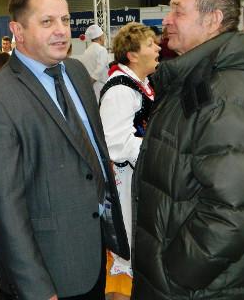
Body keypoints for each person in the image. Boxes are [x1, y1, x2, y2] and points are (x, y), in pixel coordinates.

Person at [0, 0, 129, 300]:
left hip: (92, 255)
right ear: (18, 30)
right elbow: (3, 206)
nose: (61, 30)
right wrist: (36, 288)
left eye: (65, 20)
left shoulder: (76, 72)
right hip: (46, 271)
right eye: (47, 22)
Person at [132, 0, 244, 300]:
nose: (167, 21)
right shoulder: (196, 80)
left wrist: (175, 275)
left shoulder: (227, 93)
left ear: (213, 20)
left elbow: (238, 209)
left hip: (207, 287)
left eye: (178, 11)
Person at [99, 23, 160, 300]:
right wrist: (155, 151)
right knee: (126, 256)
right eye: (150, 44)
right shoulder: (120, 90)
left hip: (138, 181)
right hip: (125, 185)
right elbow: (113, 142)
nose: (157, 48)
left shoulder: (141, 85)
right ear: (132, 55)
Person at [80, 24, 110, 99]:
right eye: (103, 37)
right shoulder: (101, 50)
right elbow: (100, 68)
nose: (104, 39)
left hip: (89, 86)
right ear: (100, 38)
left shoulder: (86, 51)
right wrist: (91, 81)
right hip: (100, 86)